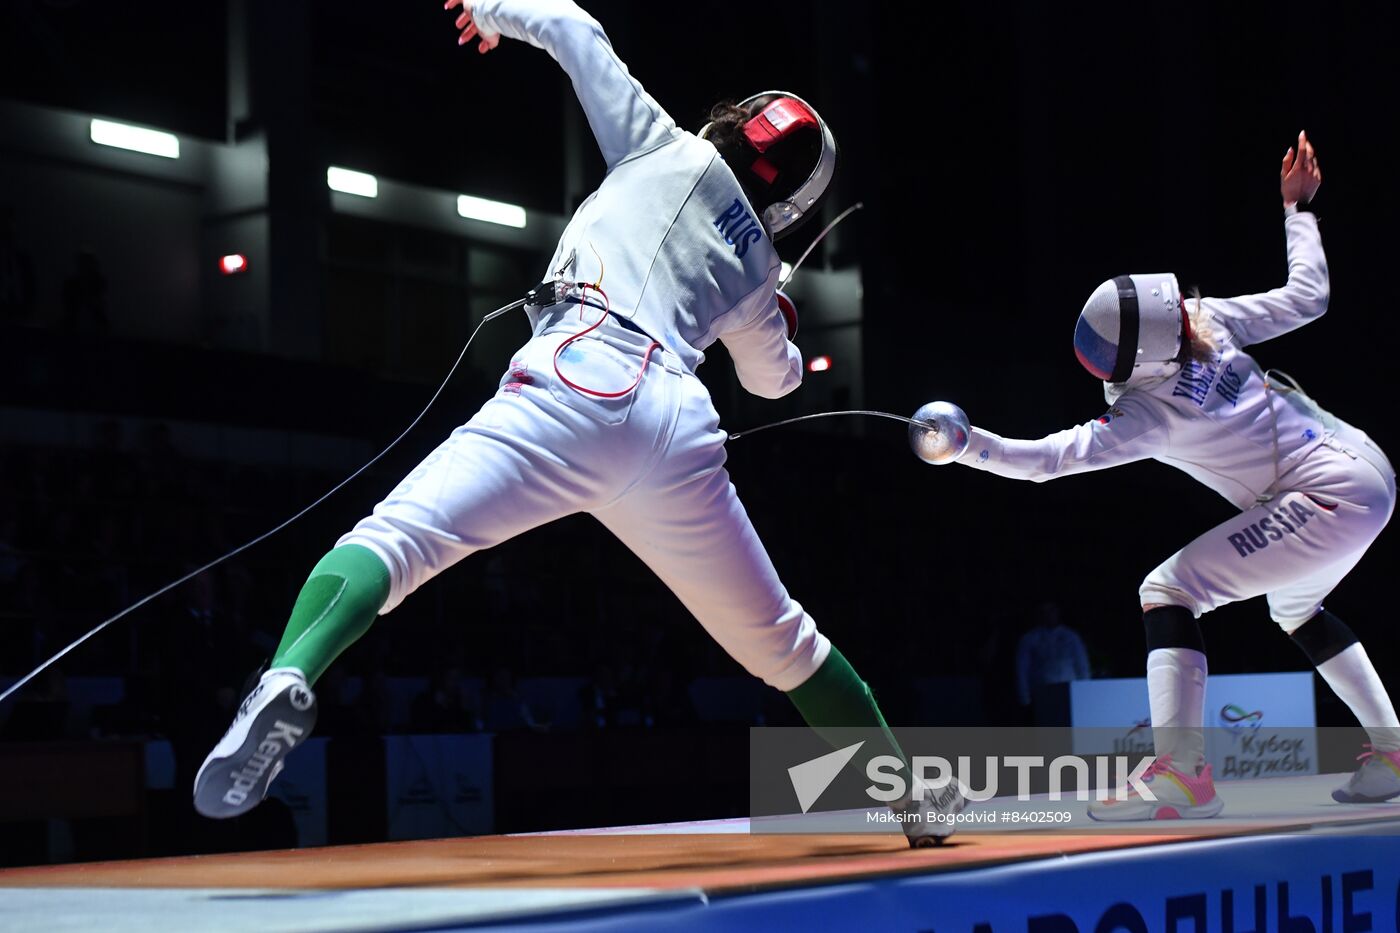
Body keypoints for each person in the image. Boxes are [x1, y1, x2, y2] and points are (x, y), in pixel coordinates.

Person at [195, 0, 961, 844]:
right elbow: (774, 383)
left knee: (394, 541)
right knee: (782, 642)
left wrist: (489, 14)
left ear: (738, 124)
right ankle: (915, 802)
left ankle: (288, 673)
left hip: (572, 376)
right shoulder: (757, 265)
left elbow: (568, 23)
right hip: (674, 430)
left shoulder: (659, 141)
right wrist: (772, 304)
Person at [954, 132, 1398, 819]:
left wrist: (966, 446)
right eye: (1180, 307)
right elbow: (1309, 296)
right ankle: (1392, 751)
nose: (1188, 306)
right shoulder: (1202, 333)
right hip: (1366, 469)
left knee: (1169, 590)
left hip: (1326, 494)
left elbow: (1045, 463)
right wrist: (1298, 209)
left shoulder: (1156, 397)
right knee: (1294, 607)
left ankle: (1184, 775)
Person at [1014, 601, 1090, 709]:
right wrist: (1024, 696)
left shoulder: (1071, 636)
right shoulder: (1030, 638)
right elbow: (1022, 668)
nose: (1048, 615)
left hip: (1068, 689)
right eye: (1044, 612)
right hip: (1042, 689)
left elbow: (1082, 664)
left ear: (1057, 612)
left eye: (1051, 611)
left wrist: (1085, 690)